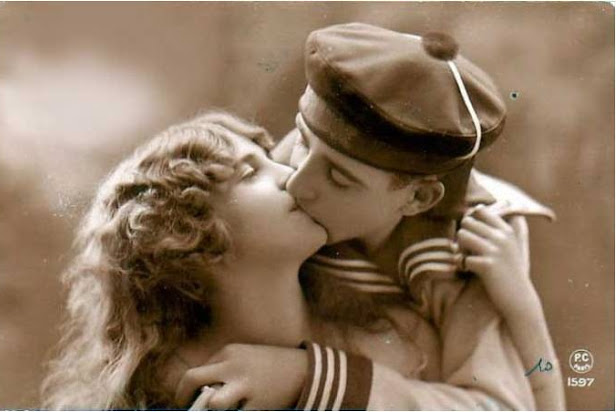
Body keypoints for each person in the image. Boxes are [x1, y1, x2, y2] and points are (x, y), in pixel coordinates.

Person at [172, 24, 564, 410]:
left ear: (418, 198)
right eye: (303, 142)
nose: (295, 183)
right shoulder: (283, 175)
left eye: (339, 178)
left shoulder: (464, 250)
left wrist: (308, 377)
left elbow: (499, 406)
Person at [40, 112, 440, 409]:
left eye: (270, 158)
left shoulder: (394, 335)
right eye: (250, 172)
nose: (290, 175)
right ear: (187, 234)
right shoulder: (187, 394)